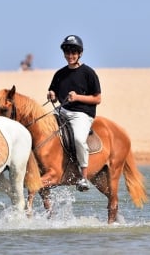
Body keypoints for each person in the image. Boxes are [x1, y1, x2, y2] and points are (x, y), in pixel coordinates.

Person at [47, 35, 101, 191]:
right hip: (62, 111)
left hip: (82, 114)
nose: (70, 56)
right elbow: (55, 93)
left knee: (78, 139)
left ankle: (83, 177)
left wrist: (78, 97)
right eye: (67, 52)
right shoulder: (59, 74)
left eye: (73, 53)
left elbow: (97, 99)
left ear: (79, 54)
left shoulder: (88, 73)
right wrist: (51, 95)